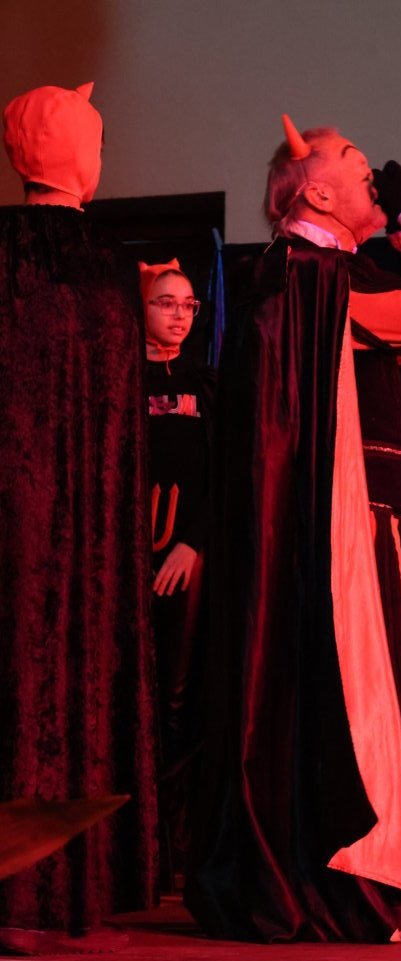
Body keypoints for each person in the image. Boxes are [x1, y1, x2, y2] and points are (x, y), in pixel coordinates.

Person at [185, 116, 401, 944]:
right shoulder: (309, 278)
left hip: (371, 507)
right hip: (340, 521)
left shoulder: (336, 276)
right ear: (314, 191)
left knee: (386, 687)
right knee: (356, 691)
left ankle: (356, 870)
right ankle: (341, 874)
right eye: (353, 160)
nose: (371, 172)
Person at [0, 83, 157, 942]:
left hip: (15, 528)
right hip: (82, 538)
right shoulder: (102, 268)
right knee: (71, 675)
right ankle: (60, 882)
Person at [140, 259, 215, 888]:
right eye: (166, 302)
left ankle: (176, 851)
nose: (179, 315)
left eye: (188, 304)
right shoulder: (115, 376)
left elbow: (224, 475)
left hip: (186, 561)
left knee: (178, 699)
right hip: (125, 558)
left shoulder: (206, 385)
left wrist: (192, 543)